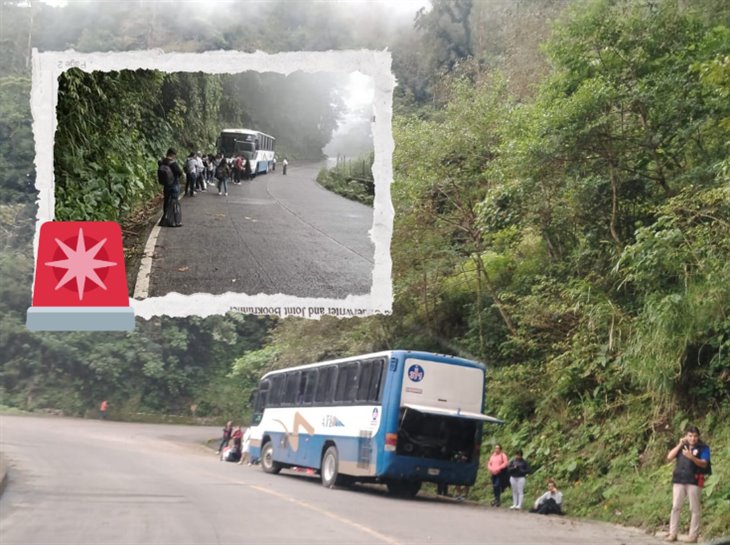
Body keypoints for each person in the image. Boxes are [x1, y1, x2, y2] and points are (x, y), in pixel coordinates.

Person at [665, 425, 711, 543]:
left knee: (694, 509)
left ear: (698, 436)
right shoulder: (682, 446)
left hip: (694, 480)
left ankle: (693, 536)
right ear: (686, 436)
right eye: (690, 436)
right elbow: (669, 457)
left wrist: (692, 457)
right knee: (675, 507)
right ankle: (672, 533)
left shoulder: (703, 448)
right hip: (679, 479)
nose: (692, 438)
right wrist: (680, 444)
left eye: (695, 436)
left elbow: (704, 464)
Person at [158, 148, 183, 227]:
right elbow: (179, 172)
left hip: (166, 185)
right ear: (173, 155)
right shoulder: (173, 163)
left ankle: (165, 218)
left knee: (166, 201)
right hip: (174, 185)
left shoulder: (162, 162)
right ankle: (174, 221)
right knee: (174, 202)